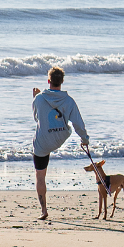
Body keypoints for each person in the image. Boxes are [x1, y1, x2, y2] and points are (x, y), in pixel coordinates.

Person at [30, 66, 89, 220]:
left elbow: (37, 119)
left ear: (48, 81)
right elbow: (78, 122)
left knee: (40, 176)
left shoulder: (39, 99)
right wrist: (84, 139)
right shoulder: (69, 101)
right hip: (60, 137)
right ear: (62, 82)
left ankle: (43, 210)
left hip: (43, 141)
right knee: (63, 128)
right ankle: (43, 209)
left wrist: (36, 97)